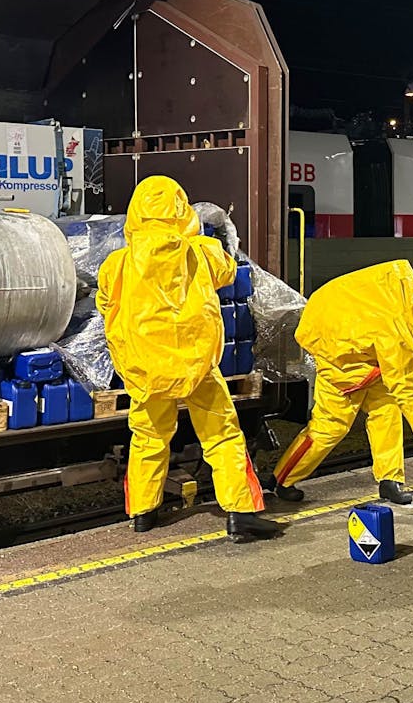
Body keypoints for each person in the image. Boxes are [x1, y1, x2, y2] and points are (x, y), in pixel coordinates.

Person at [97, 175, 281, 544]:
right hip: (197, 365)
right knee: (222, 435)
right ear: (181, 210)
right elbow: (229, 273)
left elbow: (106, 306)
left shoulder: (117, 264)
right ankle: (240, 513)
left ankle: (143, 514)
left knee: (148, 436)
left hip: (147, 368)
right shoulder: (201, 252)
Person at [270, 261, 413, 504]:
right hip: (342, 363)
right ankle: (281, 480)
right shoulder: (399, 334)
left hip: (369, 360)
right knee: (330, 427)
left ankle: (389, 480)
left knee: (387, 412)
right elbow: (406, 390)